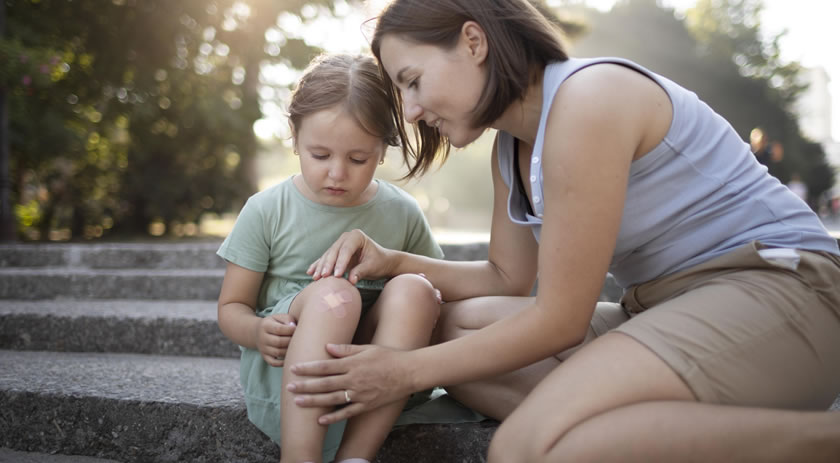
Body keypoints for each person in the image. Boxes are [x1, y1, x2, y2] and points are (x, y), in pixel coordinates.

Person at [285, 1, 840, 461]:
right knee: (449, 330)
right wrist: (395, 261)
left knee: (524, 448)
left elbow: (560, 320)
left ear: (474, 42)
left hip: (785, 293)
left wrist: (401, 371)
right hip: (666, 308)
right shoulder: (512, 146)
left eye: (412, 81)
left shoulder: (588, 100)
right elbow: (506, 277)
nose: (408, 111)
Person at [216, 53, 445, 463]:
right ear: (294, 136)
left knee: (415, 289)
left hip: (378, 380)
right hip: (292, 377)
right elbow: (232, 306)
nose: (337, 173)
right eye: (320, 155)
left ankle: (356, 456)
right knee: (333, 296)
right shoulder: (267, 209)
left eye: (358, 159)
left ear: (382, 149)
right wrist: (255, 331)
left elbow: (439, 291)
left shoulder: (401, 211)